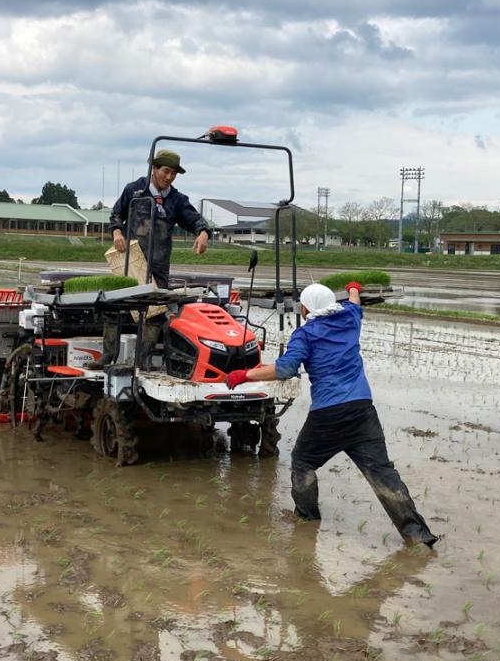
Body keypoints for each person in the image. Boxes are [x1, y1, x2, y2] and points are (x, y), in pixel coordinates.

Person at [226, 282, 438, 547]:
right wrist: (353, 288)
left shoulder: (305, 334)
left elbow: (285, 369)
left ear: (306, 308)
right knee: (383, 473)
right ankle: (418, 535)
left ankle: (307, 518)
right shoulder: (349, 317)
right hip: (362, 410)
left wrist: (245, 374)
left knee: (303, 461)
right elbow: (354, 301)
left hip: (328, 414)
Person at [87, 149, 211, 368]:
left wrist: (203, 233)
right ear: (154, 168)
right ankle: (108, 356)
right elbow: (116, 215)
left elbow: (196, 220)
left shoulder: (177, 200)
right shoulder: (134, 191)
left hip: (158, 267)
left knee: (154, 314)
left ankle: (141, 361)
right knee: (114, 307)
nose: (169, 177)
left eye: (174, 174)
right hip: (130, 264)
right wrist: (117, 233)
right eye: (166, 171)